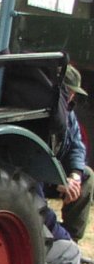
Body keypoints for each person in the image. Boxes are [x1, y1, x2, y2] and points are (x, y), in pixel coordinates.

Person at [53, 64, 93, 244]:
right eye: (68, 90)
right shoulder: (48, 111)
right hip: (41, 176)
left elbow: (77, 145)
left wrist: (75, 175)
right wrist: (58, 179)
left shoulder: (68, 113)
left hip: (59, 175)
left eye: (73, 92)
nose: (72, 96)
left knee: (87, 176)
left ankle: (70, 241)